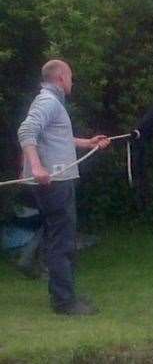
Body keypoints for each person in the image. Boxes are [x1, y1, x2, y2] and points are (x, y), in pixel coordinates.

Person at [17, 60, 111, 315]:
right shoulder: (48, 101)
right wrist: (37, 167)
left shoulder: (52, 102)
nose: (72, 81)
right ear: (60, 77)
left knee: (55, 234)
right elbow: (26, 131)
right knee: (63, 241)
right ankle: (65, 302)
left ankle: (43, 274)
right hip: (54, 182)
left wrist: (87, 143)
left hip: (57, 180)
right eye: (70, 76)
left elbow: (56, 137)